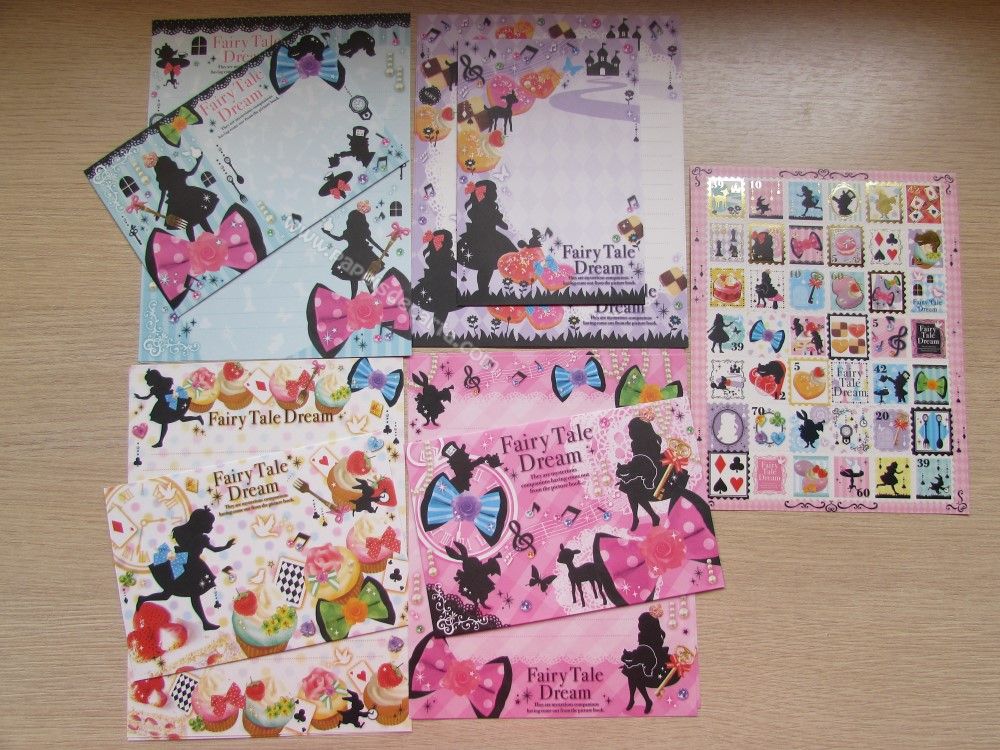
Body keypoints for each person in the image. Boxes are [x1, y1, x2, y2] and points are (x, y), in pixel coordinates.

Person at [136, 508, 235, 630]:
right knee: (167, 594)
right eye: (209, 524)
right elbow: (186, 547)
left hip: (194, 566)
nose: (211, 527)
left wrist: (226, 546)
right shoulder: (182, 532)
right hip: (181, 564)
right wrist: (197, 542)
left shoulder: (202, 538)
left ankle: (205, 623)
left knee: (194, 594)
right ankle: (143, 599)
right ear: (200, 523)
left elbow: (214, 549)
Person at [456, 180, 517, 294]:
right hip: (484, 240)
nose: (495, 194)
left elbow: (501, 224)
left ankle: (483, 290)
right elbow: (503, 225)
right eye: (494, 191)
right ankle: (483, 291)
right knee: (486, 265)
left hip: (481, 238)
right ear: (488, 193)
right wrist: (498, 220)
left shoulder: (480, 207)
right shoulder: (487, 208)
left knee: (486, 266)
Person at [146, 153, 219, 240]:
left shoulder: (164, 180)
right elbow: (191, 172)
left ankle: (194, 242)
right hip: (188, 196)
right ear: (170, 164)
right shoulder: (178, 173)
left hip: (177, 203)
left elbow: (162, 196)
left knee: (188, 223)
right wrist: (198, 161)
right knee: (199, 217)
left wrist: (158, 211)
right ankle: (212, 236)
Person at [324, 209, 384, 296]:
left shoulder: (353, 231)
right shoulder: (359, 231)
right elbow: (373, 242)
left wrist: (328, 233)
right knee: (362, 276)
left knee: (355, 276)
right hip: (362, 254)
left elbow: (337, 238)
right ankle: (367, 294)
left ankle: (359, 295)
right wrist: (382, 250)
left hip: (355, 254)